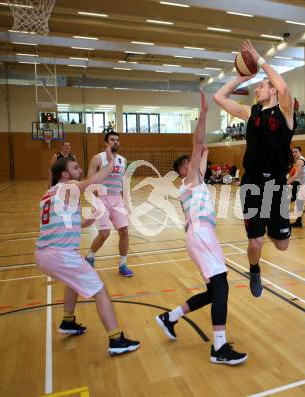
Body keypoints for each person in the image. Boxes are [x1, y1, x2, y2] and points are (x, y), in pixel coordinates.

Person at [156, 92, 247, 365]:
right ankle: (219, 348)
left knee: (213, 291)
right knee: (222, 287)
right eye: (190, 162)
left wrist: (205, 151)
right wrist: (204, 113)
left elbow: (202, 154)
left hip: (200, 234)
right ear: (185, 169)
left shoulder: (193, 182)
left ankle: (169, 317)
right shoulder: (190, 179)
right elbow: (197, 144)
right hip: (200, 233)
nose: (194, 163)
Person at [35, 151, 140, 355]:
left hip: (44, 255)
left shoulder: (48, 194)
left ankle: (68, 321)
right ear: (64, 174)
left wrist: (91, 219)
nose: (80, 170)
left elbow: (73, 222)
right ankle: (116, 340)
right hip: (60, 254)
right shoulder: (69, 186)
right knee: (100, 290)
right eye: (75, 168)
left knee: (73, 282)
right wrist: (109, 165)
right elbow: (93, 180)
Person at [214, 40, 295, 298]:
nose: (257, 87)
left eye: (260, 85)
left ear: (271, 92)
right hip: (252, 183)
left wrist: (259, 60)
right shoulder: (251, 113)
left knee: (282, 245)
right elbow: (219, 97)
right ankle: (254, 269)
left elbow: (282, 85)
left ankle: (270, 227)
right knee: (255, 241)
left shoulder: (285, 113)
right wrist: (240, 77)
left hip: (278, 186)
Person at [85, 132, 133, 277]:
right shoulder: (98, 158)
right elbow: (89, 179)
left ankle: (123, 264)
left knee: (124, 232)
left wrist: (126, 200)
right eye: (112, 140)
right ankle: (90, 257)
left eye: (117, 140)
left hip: (117, 199)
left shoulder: (123, 160)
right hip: (101, 200)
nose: (115, 142)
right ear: (106, 143)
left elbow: (123, 182)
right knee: (104, 234)